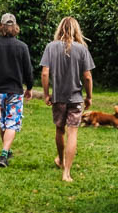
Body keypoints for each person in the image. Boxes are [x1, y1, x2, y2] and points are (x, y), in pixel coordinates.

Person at [40, 15, 94, 183]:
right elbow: (87, 77)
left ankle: (61, 160)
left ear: (60, 29)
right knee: (72, 133)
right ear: (76, 30)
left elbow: (44, 72)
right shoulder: (82, 49)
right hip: (76, 98)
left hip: (58, 98)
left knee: (59, 130)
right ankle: (67, 173)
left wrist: (46, 93)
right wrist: (89, 96)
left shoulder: (51, 47)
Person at [0, 12, 34, 167]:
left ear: (1, 26)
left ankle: (5, 150)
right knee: (12, 122)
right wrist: (30, 87)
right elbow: (28, 70)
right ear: (15, 27)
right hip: (15, 89)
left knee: (2, 121)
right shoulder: (22, 47)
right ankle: (5, 152)